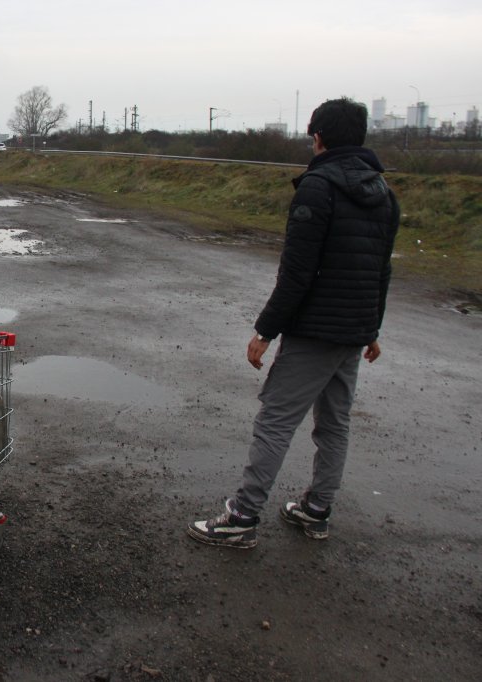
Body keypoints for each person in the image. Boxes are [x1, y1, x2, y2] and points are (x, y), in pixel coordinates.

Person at [187, 97, 400, 549]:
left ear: (318, 137)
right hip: (352, 331)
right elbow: (382, 269)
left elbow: (297, 273)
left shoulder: (317, 187)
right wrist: (372, 328)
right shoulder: (384, 192)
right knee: (335, 423)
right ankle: (316, 510)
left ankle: (241, 517)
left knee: (275, 421)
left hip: (316, 331)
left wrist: (265, 331)